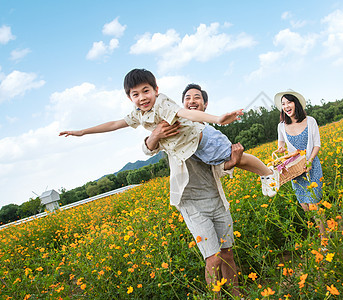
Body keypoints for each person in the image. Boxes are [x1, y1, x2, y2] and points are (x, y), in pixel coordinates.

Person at [59, 68, 278, 197]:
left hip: (203, 139)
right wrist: (82, 132)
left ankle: (268, 174)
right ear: (130, 98)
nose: (142, 97)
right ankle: (267, 174)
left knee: (238, 158)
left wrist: (218, 119)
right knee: (233, 160)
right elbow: (114, 124)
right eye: (136, 94)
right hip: (196, 149)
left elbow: (187, 114)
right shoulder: (137, 114)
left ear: (156, 89)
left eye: (146, 91)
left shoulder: (162, 103)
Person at [143, 83, 243, 296]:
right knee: (213, 257)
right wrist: (155, 135)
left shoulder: (211, 133)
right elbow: (148, 149)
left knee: (227, 253)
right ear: (183, 105)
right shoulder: (174, 126)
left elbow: (218, 165)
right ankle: (215, 297)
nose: (192, 101)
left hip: (217, 199)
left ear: (205, 105)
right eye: (188, 98)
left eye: (197, 97)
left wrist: (233, 161)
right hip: (192, 204)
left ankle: (237, 294)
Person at [274, 89, 326, 242]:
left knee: (314, 206)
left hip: (312, 166)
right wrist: (280, 149)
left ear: (295, 103)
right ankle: (322, 231)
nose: (286, 106)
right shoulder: (281, 126)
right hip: (296, 171)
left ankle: (324, 239)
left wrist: (309, 161)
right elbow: (281, 145)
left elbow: (317, 144)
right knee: (305, 206)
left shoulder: (310, 120)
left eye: (288, 102)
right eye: (283, 104)